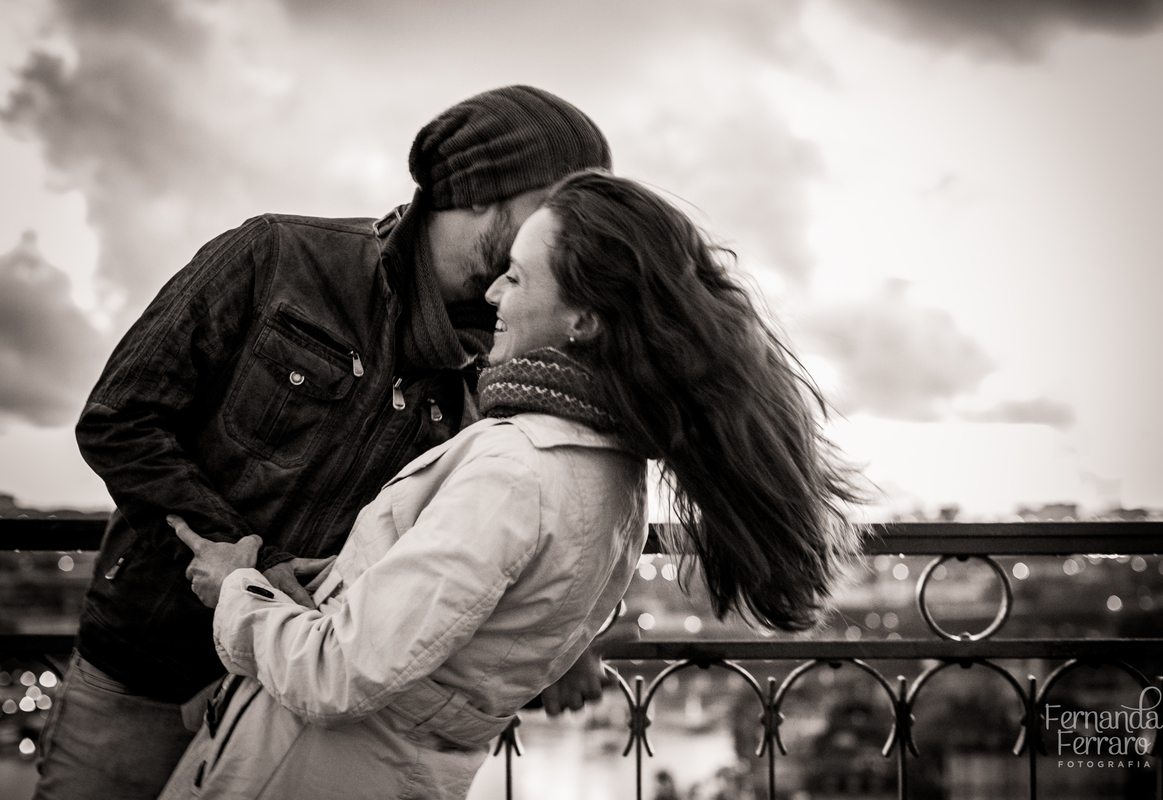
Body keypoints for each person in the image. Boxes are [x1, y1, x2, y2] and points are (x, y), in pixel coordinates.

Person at [157, 171, 863, 799]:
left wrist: (234, 592)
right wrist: (354, 578)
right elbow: (483, 617)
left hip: (306, 770)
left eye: (519, 278)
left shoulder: (519, 470)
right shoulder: (613, 472)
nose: (493, 290)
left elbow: (336, 674)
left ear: (582, 320)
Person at [33, 86, 613, 800]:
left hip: (290, 714)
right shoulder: (276, 255)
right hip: (143, 674)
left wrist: (569, 635)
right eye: (554, 212)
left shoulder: (489, 376)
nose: (566, 240)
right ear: (482, 188)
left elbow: (469, 556)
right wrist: (255, 571)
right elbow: (119, 419)